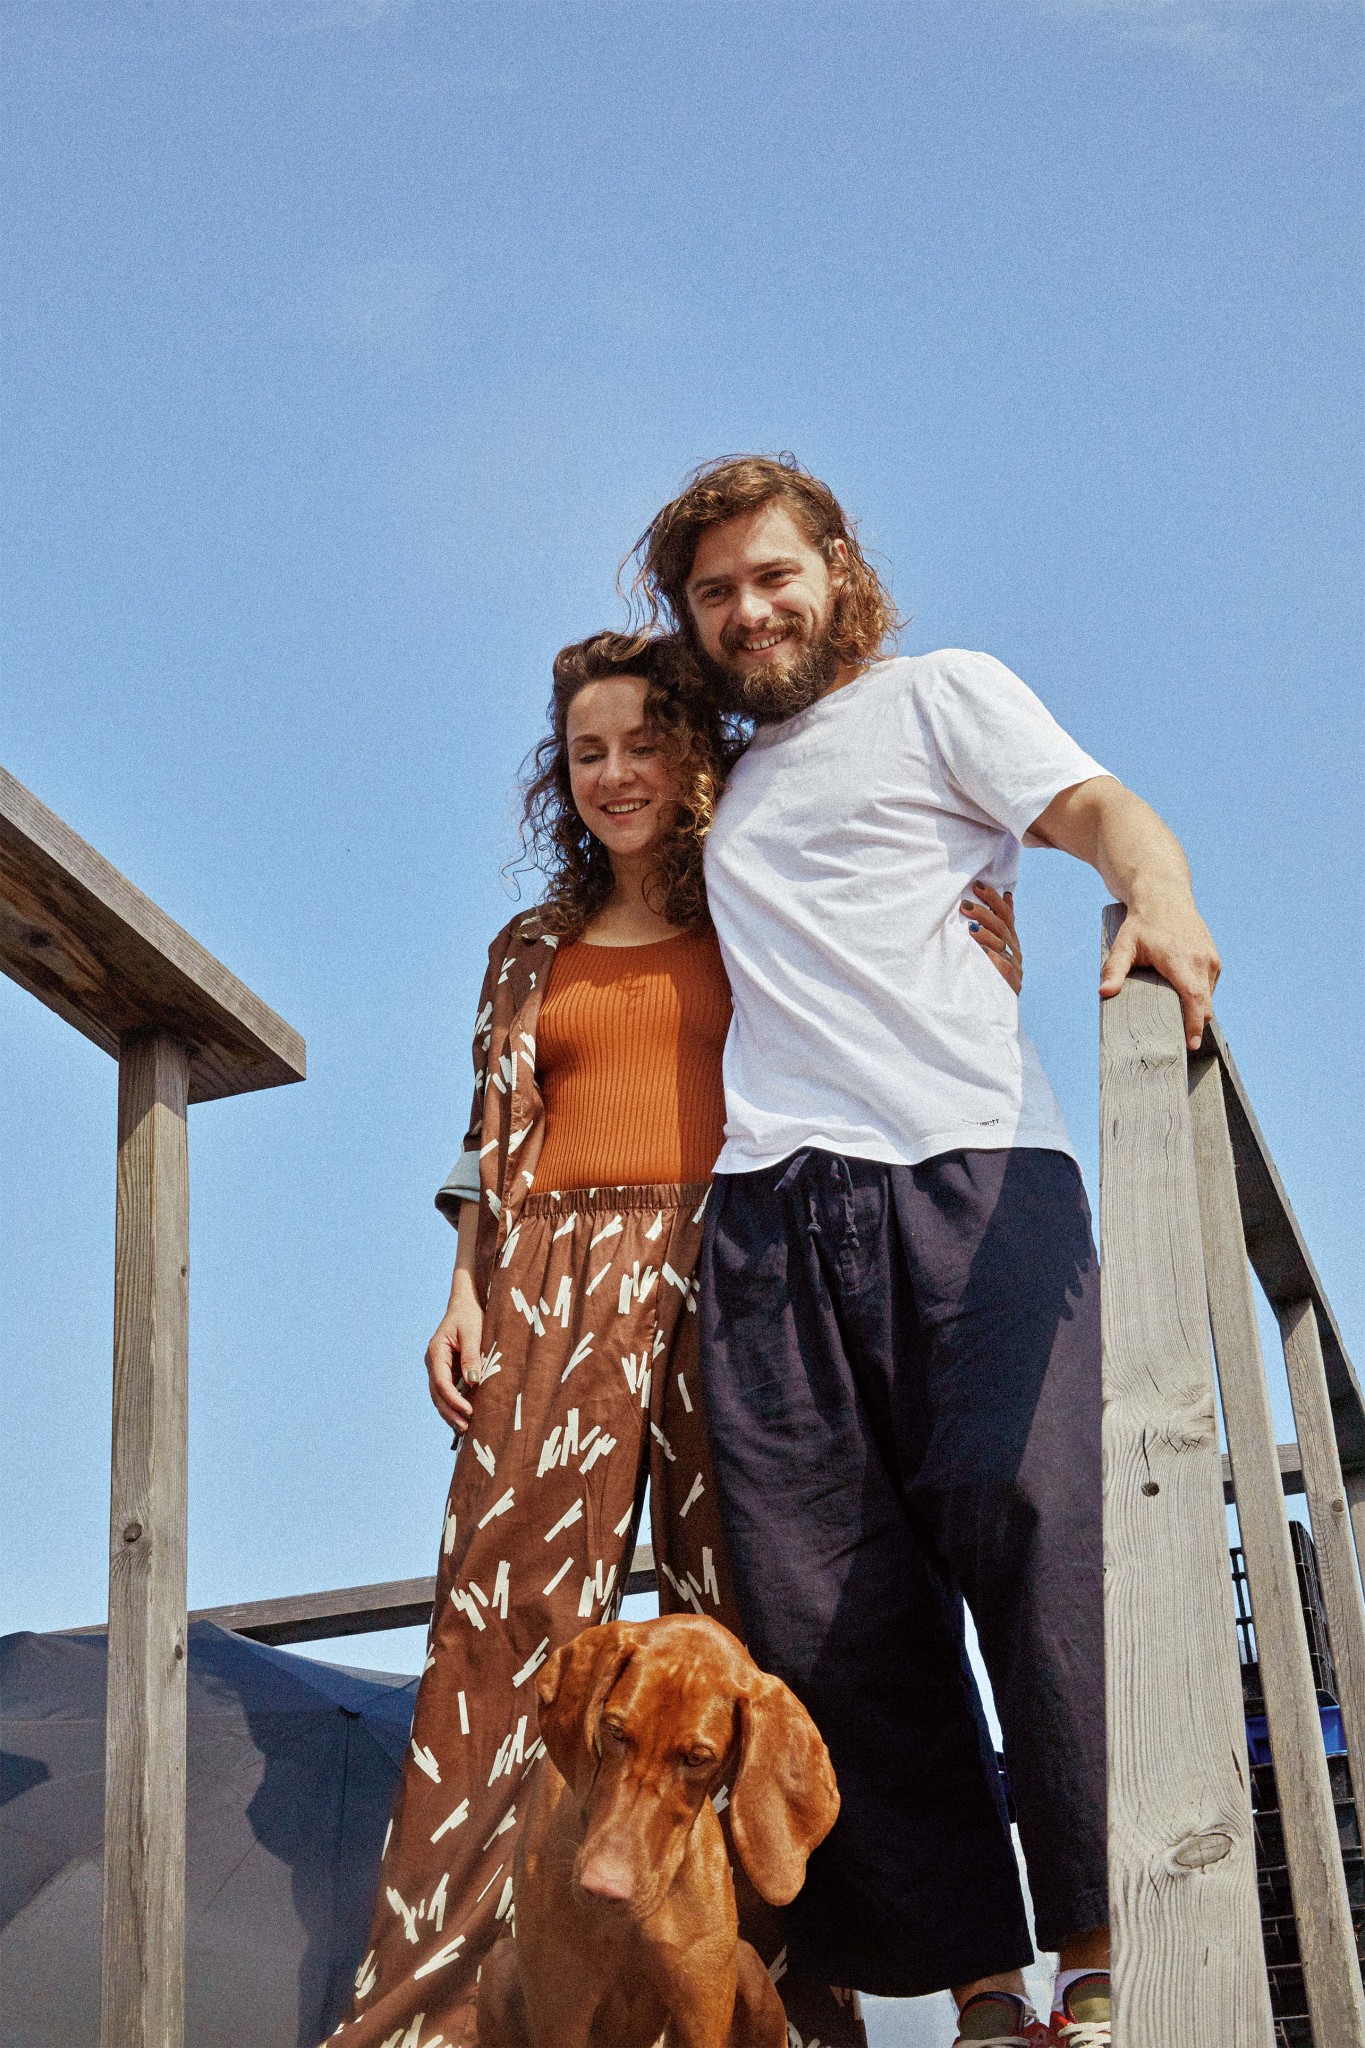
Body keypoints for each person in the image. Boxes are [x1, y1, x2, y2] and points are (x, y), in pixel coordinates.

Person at [330, 625, 1030, 2048]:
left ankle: (783, 1989)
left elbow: (889, 988)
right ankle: (441, 2002)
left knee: (766, 1607)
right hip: (551, 1277)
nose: (615, 774)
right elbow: (493, 1130)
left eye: (643, 744)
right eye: (586, 752)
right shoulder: (528, 948)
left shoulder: (754, 901)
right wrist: (463, 1287)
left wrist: (975, 932)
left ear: (694, 757)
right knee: (504, 1626)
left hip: (735, 1252)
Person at [630, 455, 1222, 2048]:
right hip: (768, 1213)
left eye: (773, 574)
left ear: (836, 567)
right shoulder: (719, 786)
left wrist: (1155, 895)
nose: (750, 610)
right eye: (713, 593)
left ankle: (1100, 1947)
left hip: (967, 1163)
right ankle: (980, 1989)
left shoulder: (940, 694)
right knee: (831, 1611)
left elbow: (1093, 807)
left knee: (1033, 1529)